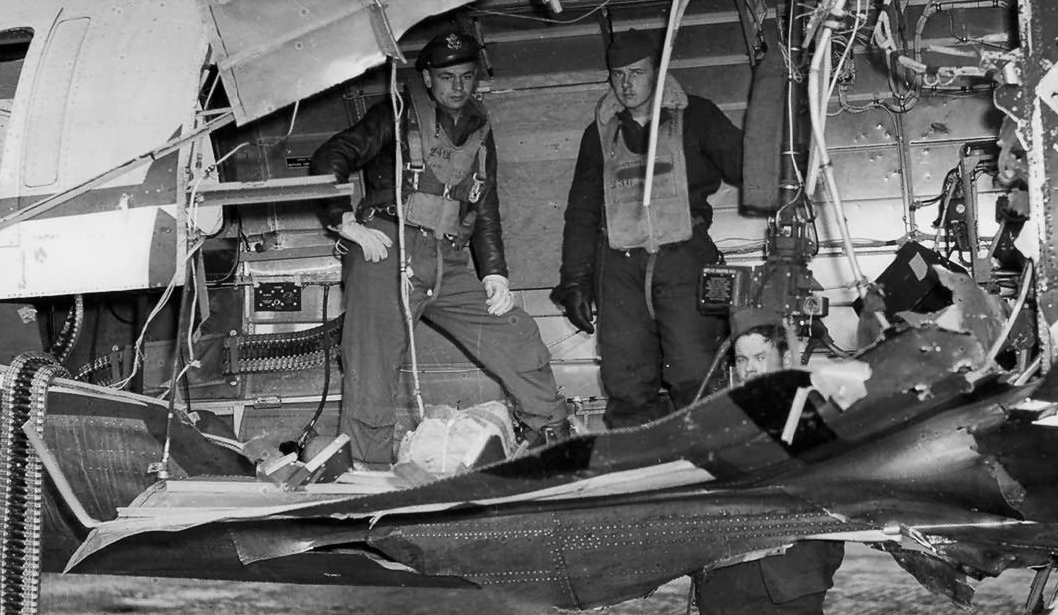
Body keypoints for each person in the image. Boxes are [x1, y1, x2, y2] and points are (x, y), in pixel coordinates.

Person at [310, 28, 569, 469]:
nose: (457, 87)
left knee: (513, 332)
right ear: (427, 78)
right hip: (387, 250)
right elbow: (329, 157)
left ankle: (552, 437)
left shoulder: (479, 131)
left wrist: (495, 273)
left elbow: (484, 204)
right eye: (447, 77)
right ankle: (367, 472)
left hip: (445, 257)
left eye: (466, 77)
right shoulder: (397, 112)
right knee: (371, 367)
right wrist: (345, 222)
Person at [550, 29, 744, 428]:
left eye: (636, 73)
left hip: (683, 260)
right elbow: (581, 214)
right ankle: (638, 471)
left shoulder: (698, 116)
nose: (626, 84)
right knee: (626, 381)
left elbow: (748, 168)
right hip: (619, 268)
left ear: (658, 73)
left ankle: (710, 467)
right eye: (618, 74)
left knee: (696, 374)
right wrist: (575, 283)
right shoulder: (599, 134)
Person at [694, 324, 844, 615]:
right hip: (720, 594)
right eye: (742, 360)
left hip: (785, 599)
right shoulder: (713, 421)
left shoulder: (811, 415)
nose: (750, 369)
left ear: (783, 357)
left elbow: (837, 493)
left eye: (760, 357)